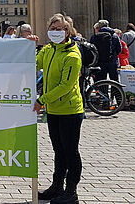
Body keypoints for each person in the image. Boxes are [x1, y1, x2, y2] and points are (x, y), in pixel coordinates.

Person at [35, 14, 84, 203]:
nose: (56, 32)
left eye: (60, 29)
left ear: (68, 31)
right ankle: (57, 187)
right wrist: (29, 45)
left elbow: (65, 86)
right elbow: (34, 63)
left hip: (70, 110)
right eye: (53, 28)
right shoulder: (48, 50)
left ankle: (71, 192)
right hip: (53, 110)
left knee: (70, 151)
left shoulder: (72, 55)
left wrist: (41, 100)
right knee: (59, 151)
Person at [90, 20, 121, 85]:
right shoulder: (114, 35)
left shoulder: (95, 36)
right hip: (112, 61)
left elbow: (92, 49)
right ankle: (115, 91)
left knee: (102, 81)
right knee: (114, 80)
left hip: (100, 62)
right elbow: (119, 49)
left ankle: (103, 91)